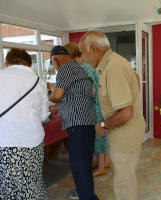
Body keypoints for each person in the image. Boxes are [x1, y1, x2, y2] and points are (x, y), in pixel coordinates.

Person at [79, 31, 146, 200]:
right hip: (127, 132)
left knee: (123, 182)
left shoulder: (113, 67)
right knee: (127, 177)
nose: (84, 59)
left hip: (125, 134)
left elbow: (126, 113)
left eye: (84, 54)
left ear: (94, 49)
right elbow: (135, 81)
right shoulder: (112, 62)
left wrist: (103, 125)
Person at [49, 45, 99, 200]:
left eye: (52, 63)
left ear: (56, 60)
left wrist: (50, 96)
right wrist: (62, 105)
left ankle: (88, 197)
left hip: (77, 124)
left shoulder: (65, 69)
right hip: (89, 122)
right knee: (84, 163)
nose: (54, 66)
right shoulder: (80, 69)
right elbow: (86, 93)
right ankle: (85, 193)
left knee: (79, 164)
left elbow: (57, 95)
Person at [64, 42, 111, 199]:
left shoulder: (82, 69)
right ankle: (102, 167)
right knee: (92, 148)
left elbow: (89, 92)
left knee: (85, 155)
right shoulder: (87, 66)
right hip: (97, 108)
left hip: (91, 112)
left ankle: (87, 188)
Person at [0, 48, 49, 199]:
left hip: (3, 141)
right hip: (30, 142)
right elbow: (43, 116)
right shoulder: (37, 80)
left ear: (7, 62)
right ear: (29, 63)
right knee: (31, 183)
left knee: (6, 186)